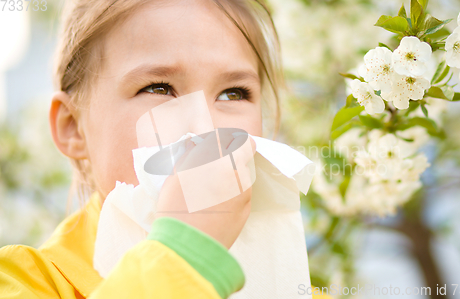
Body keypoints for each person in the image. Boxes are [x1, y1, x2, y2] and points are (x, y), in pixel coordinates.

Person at [0, 0, 331, 298]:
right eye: (158, 88)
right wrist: (184, 255)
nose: (205, 131)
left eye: (233, 93)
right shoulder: (26, 282)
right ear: (73, 127)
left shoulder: (295, 289)